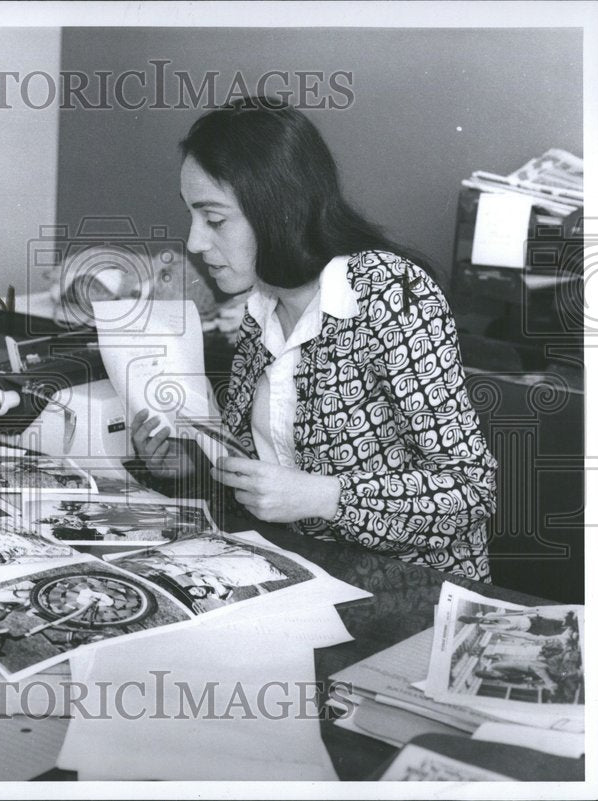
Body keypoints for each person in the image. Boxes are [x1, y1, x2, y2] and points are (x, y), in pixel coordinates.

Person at [131, 98, 497, 581]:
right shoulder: (261, 305)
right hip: (305, 573)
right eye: (193, 218)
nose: (195, 242)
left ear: (277, 210)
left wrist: (323, 497)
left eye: (215, 220)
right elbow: (269, 481)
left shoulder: (389, 292)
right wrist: (192, 469)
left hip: (410, 586)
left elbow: (470, 491)